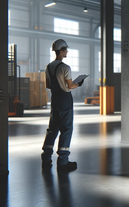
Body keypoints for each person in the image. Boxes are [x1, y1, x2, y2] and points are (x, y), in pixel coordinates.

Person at [41, 39, 84, 172]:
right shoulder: (65, 67)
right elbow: (70, 86)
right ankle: (63, 161)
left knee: (52, 128)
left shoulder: (48, 67)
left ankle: (46, 158)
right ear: (61, 51)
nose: (67, 52)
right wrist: (79, 83)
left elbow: (48, 85)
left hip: (55, 99)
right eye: (65, 50)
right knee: (66, 129)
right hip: (65, 99)